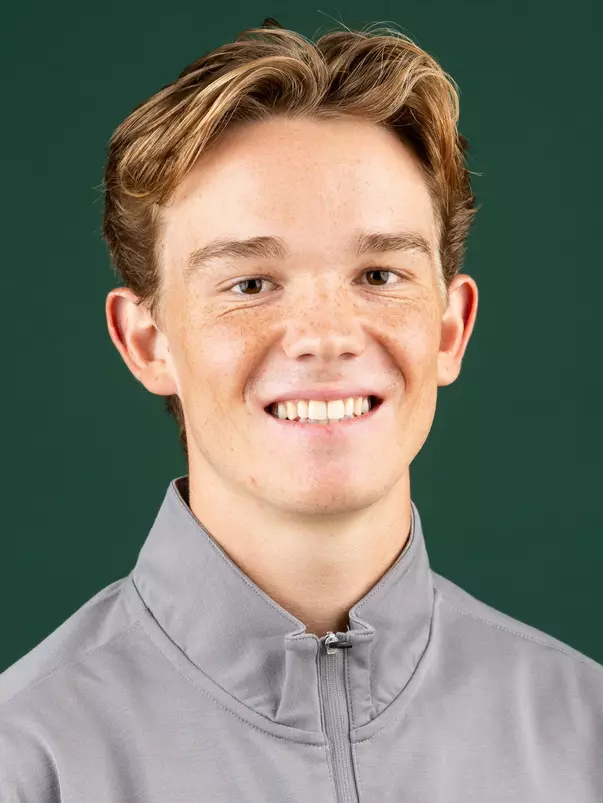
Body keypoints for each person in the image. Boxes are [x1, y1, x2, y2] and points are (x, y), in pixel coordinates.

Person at [1, 17, 602, 802]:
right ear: (146, 341)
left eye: (380, 274)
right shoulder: (26, 757)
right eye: (249, 283)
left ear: (450, 327)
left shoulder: (585, 731)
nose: (326, 336)